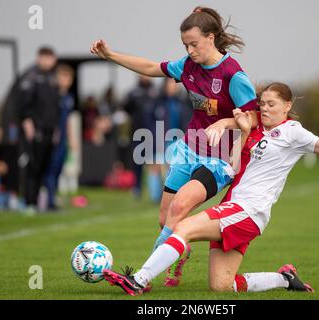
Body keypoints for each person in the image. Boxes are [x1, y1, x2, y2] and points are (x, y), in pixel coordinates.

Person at [101, 82, 319, 295]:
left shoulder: (293, 132)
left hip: (248, 210)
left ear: (287, 105)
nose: (264, 108)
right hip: (235, 209)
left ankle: (138, 279)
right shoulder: (254, 129)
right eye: (262, 103)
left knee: (183, 227)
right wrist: (239, 131)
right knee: (222, 286)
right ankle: (284, 278)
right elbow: (233, 165)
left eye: (271, 104)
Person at [90, 6, 259, 286]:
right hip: (189, 150)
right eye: (185, 45)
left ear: (211, 37)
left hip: (218, 160)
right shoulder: (188, 66)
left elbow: (253, 118)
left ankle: (140, 278)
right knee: (165, 218)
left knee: (180, 206)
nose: (189, 50)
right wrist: (111, 55)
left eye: (194, 44)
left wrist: (225, 124)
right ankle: (180, 251)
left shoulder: (233, 75)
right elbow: (150, 67)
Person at [17, 46, 59, 213]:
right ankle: (29, 202)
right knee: (33, 166)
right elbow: (24, 105)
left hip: (50, 129)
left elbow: (54, 107)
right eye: (46, 58)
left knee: (45, 167)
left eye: (51, 58)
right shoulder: (31, 78)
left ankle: (41, 201)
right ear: (39, 58)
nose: (49, 62)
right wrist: (28, 123)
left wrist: (56, 128)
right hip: (36, 129)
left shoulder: (51, 78)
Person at [43, 63, 75, 211]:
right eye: (63, 77)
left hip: (63, 139)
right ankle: (48, 200)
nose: (65, 81)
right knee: (51, 168)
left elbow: (67, 119)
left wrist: (71, 137)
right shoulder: (52, 96)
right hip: (53, 138)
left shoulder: (68, 98)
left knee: (59, 168)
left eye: (68, 78)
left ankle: (52, 198)